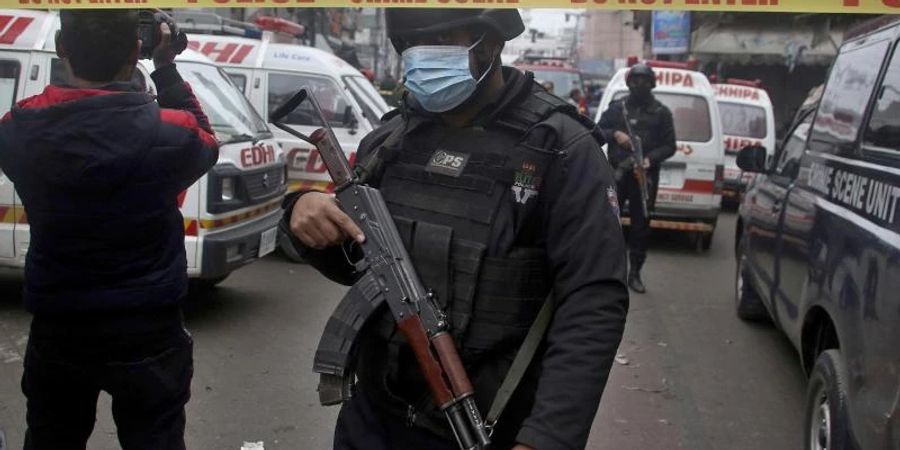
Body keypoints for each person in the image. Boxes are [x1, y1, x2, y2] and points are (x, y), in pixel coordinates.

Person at [282, 8, 628, 450]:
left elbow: (593, 300)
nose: (422, 57)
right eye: (410, 45)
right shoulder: (390, 141)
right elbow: (355, 261)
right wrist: (303, 211)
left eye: (442, 39)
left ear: (490, 43)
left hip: (487, 427)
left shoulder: (560, 150)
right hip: (370, 421)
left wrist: (546, 437)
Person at [0, 10, 219, 450]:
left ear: (62, 46)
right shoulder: (169, 134)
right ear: (136, 50)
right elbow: (206, 142)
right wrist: (166, 68)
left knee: (51, 438)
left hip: (59, 324)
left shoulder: (17, 129)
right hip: (148, 329)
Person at [597, 63, 676, 294]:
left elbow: (670, 146)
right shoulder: (617, 108)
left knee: (641, 227)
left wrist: (650, 158)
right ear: (629, 83)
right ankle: (607, 271)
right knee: (609, 223)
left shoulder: (662, 113)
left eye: (645, 81)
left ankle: (635, 273)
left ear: (652, 84)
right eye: (635, 81)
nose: (639, 85)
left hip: (644, 177)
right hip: (618, 174)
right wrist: (615, 134)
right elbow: (597, 131)